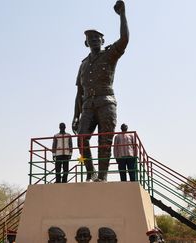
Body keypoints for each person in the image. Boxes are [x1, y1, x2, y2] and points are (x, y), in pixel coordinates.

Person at [72, 0, 129, 182]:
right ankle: (91, 172)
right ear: (86, 42)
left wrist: (122, 16)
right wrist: (75, 115)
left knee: (104, 141)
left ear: (102, 41)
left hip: (106, 102)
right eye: (90, 39)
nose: (94, 41)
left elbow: (124, 40)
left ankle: (102, 176)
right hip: (88, 105)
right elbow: (79, 92)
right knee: (82, 139)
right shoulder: (83, 65)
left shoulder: (109, 55)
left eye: (97, 39)